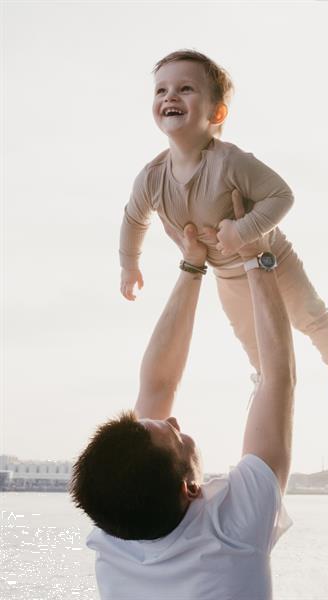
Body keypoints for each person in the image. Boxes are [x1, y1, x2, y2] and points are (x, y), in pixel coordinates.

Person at [119, 49, 328, 425]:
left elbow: (282, 195)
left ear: (216, 114)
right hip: (228, 274)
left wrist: (242, 230)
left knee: (311, 317)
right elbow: (133, 219)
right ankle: (268, 386)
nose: (170, 97)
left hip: (273, 260)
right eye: (161, 90)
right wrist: (129, 263)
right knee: (252, 338)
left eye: (185, 88)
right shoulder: (152, 177)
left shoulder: (230, 163)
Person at [70, 190, 296, 600]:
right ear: (189, 488)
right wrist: (257, 255)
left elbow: (158, 385)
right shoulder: (233, 528)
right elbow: (277, 378)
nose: (175, 421)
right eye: (179, 438)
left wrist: (193, 265)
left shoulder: (118, 532)